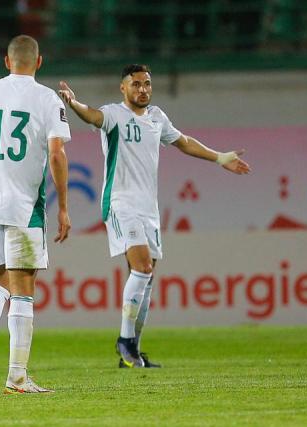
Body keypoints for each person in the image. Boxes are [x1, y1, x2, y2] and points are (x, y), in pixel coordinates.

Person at [58, 64, 251, 368]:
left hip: (149, 209)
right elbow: (92, 115)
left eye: (147, 83)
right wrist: (73, 102)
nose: (143, 89)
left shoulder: (157, 117)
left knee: (147, 280)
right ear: (123, 88)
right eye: (136, 84)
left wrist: (219, 157)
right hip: (121, 204)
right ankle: (124, 341)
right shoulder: (115, 115)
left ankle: (132, 352)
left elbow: (183, 141)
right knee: (143, 267)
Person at [0, 35, 72, 394]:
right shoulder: (47, 99)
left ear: (6, 61)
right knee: (22, 291)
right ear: (39, 62)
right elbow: (56, 155)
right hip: (24, 207)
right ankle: (17, 376)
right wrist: (64, 205)